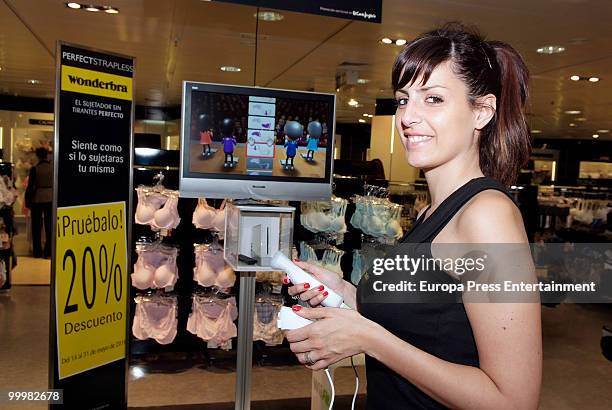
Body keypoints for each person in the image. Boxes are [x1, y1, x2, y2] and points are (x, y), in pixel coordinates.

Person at [285, 23, 542, 409]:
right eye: (403, 99)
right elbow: (430, 326)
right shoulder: (431, 211)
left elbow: (513, 401)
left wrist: (369, 338)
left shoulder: (488, 215)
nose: (407, 117)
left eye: (433, 99)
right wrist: (345, 294)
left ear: (482, 112)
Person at [25, 147, 53, 258]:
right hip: (50, 198)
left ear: (37, 156)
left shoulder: (34, 169)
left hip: (37, 198)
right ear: (47, 155)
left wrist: (28, 201)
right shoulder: (52, 168)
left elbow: (30, 186)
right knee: (49, 226)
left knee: (36, 226)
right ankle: (48, 251)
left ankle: (37, 252)